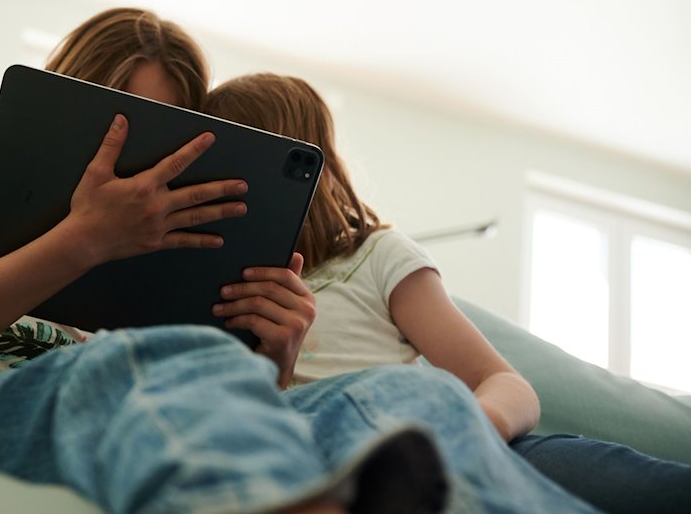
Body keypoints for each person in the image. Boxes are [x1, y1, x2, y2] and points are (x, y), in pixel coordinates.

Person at [0, 7, 598, 513]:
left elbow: (212, 402)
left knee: (417, 400)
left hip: (130, 401)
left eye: (162, 149)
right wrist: (81, 239)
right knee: (153, 366)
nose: (132, 178)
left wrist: (273, 361)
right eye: (109, 126)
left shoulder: (171, 232)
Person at [203, 72, 691, 514]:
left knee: (636, 485)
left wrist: (466, 433)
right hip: (343, 469)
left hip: (466, 442)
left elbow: (510, 386)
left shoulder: (375, 256)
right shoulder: (218, 290)